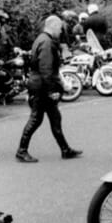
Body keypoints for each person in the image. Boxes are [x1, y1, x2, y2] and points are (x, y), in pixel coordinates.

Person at [15, 15, 82, 162]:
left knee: (54, 117)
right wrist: (52, 91)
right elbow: (46, 69)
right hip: (41, 87)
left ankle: (65, 149)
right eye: (59, 28)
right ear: (53, 26)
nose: (60, 31)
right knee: (35, 119)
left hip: (39, 84)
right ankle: (21, 151)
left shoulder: (42, 39)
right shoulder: (46, 42)